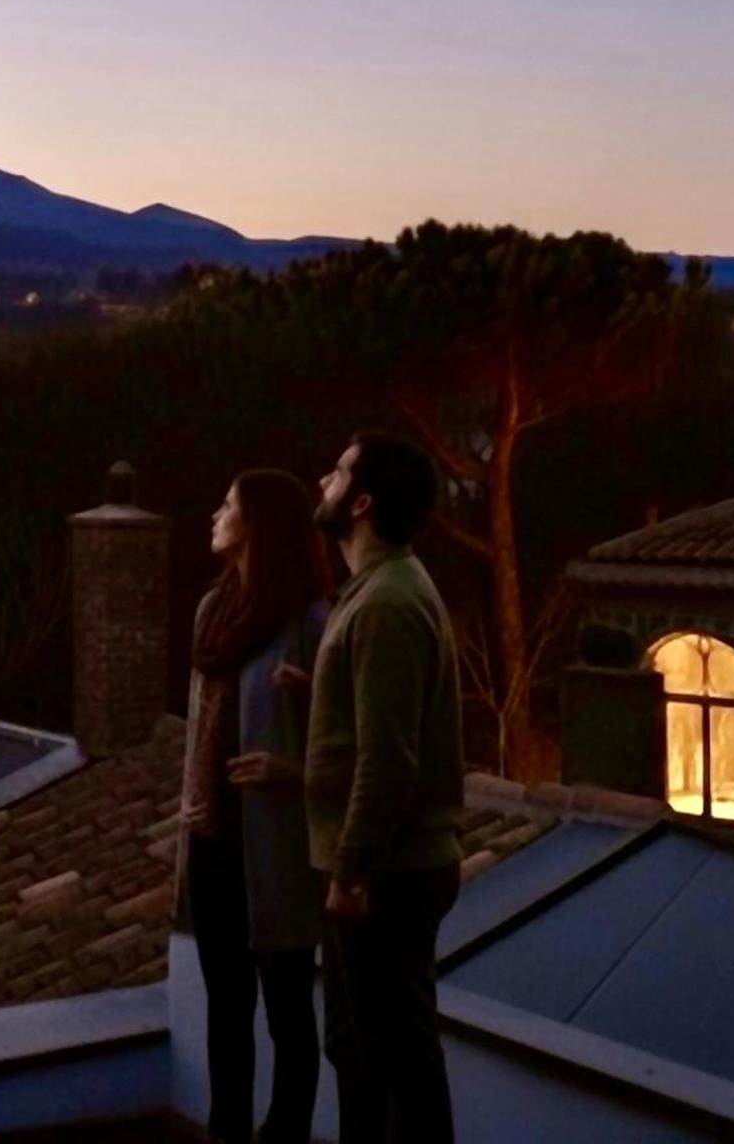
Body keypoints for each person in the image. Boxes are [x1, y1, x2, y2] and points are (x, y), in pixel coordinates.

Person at [305, 431, 466, 1144]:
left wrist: (351, 871)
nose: (323, 479)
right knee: (363, 1052)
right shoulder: (379, 592)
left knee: (389, 1064)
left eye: (337, 471)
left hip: (388, 875)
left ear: (361, 502)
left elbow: (389, 759)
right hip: (383, 870)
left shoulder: (386, 605)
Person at [181, 469, 332, 1144]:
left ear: (258, 526)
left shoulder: (311, 625)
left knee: (289, 1015)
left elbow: (351, 751)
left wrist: (289, 771)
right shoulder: (213, 613)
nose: (215, 513)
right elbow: (200, 724)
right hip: (214, 843)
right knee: (226, 1008)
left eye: (228, 504)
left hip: (278, 853)